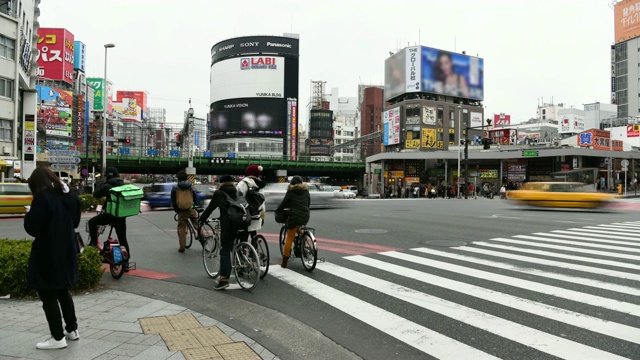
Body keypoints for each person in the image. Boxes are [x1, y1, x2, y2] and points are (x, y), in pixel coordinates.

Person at [24, 167, 81, 350]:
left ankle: (57, 338)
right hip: (67, 249)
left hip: (48, 251)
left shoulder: (43, 197)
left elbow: (33, 228)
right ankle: (72, 330)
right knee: (62, 290)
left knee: (47, 292)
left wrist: (29, 213)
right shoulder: (69, 195)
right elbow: (76, 221)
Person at [199, 175, 241, 290]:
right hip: (240, 222)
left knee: (225, 251)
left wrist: (202, 220)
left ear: (221, 183)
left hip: (228, 225)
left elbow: (210, 208)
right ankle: (242, 266)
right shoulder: (236, 192)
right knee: (235, 245)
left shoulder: (219, 193)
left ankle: (224, 279)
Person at [87, 167, 130, 267]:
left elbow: (96, 194)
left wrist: (101, 183)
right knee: (123, 239)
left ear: (107, 175)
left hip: (110, 215)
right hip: (121, 216)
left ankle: (93, 245)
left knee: (92, 222)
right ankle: (126, 263)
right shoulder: (122, 184)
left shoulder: (108, 185)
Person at [275, 176, 310, 269]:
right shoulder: (306, 191)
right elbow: (308, 204)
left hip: (294, 216)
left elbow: (284, 203)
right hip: (305, 216)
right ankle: (303, 236)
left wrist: (278, 210)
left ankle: (284, 262)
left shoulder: (291, 192)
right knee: (298, 227)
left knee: (289, 238)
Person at [236, 165, 266, 248]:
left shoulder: (242, 184)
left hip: (245, 215)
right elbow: (262, 203)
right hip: (257, 214)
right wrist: (263, 217)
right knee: (254, 234)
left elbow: (238, 200)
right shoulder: (260, 185)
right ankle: (254, 255)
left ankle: (243, 255)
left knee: (244, 236)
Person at [171, 170, 199, 253]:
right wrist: (194, 205)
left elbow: (173, 200)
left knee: (182, 228)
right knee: (197, 225)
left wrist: (177, 210)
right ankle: (205, 240)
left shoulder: (175, 188)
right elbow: (195, 197)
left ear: (178, 178)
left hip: (181, 211)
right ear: (187, 178)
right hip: (190, 209)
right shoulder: (191, 186)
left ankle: (182, 246)